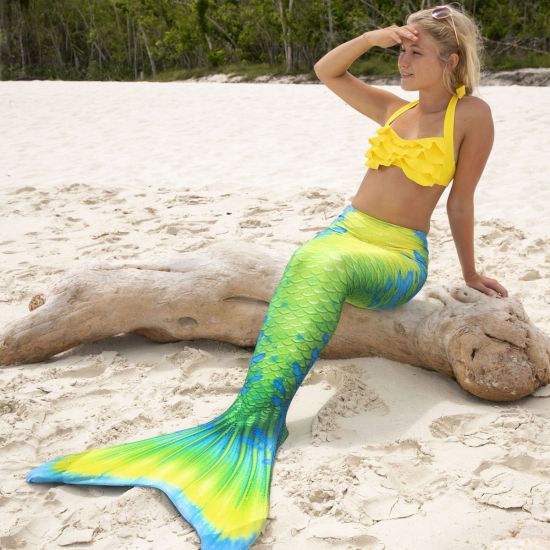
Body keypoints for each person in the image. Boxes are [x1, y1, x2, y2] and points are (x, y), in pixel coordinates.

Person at [26, 4, 508, 550]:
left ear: (452, 59)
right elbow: (327, 70)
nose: (401, 59)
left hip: (396, 258)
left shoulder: (470, 116)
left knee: (321, 261)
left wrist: (470, 272)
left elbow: (461, 202)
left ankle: (257, 422)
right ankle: (254, 414)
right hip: (343, 234)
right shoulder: (393, 111)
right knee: (314, 257)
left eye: (414, 51)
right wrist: (371, 36)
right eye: (400, 48)